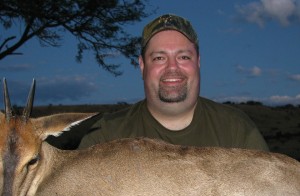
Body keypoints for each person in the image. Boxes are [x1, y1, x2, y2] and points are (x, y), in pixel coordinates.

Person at [78, 14, 269, 151]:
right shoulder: (105, 136)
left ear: (198, 62)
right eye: (159, 58)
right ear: (142, 66)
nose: (172, 67)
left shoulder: (237, 130)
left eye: (184, 57)